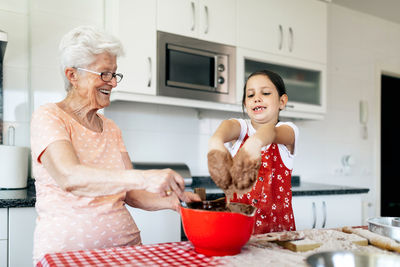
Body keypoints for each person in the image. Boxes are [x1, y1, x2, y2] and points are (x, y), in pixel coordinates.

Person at [30, 25, 200, 264]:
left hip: (126, 253)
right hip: (68, 257)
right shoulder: (49, 116)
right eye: (104, 73)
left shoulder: (111, 128)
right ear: (72, 75)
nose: (113, 83)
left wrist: (175, 203)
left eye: (114, 74)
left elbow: (130, 194)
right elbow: (69, 177)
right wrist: (144, 177)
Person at [207, 70, 298, 234]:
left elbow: (272, 133)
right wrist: (216, 141)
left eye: (265, 93)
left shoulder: (288, 131)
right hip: (238, 233)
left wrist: (255, 143)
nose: (257, 98)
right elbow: (228, 125)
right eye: (250, 95)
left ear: (282, 101)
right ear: (244, 104)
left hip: (279, 235)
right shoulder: (241, 129)